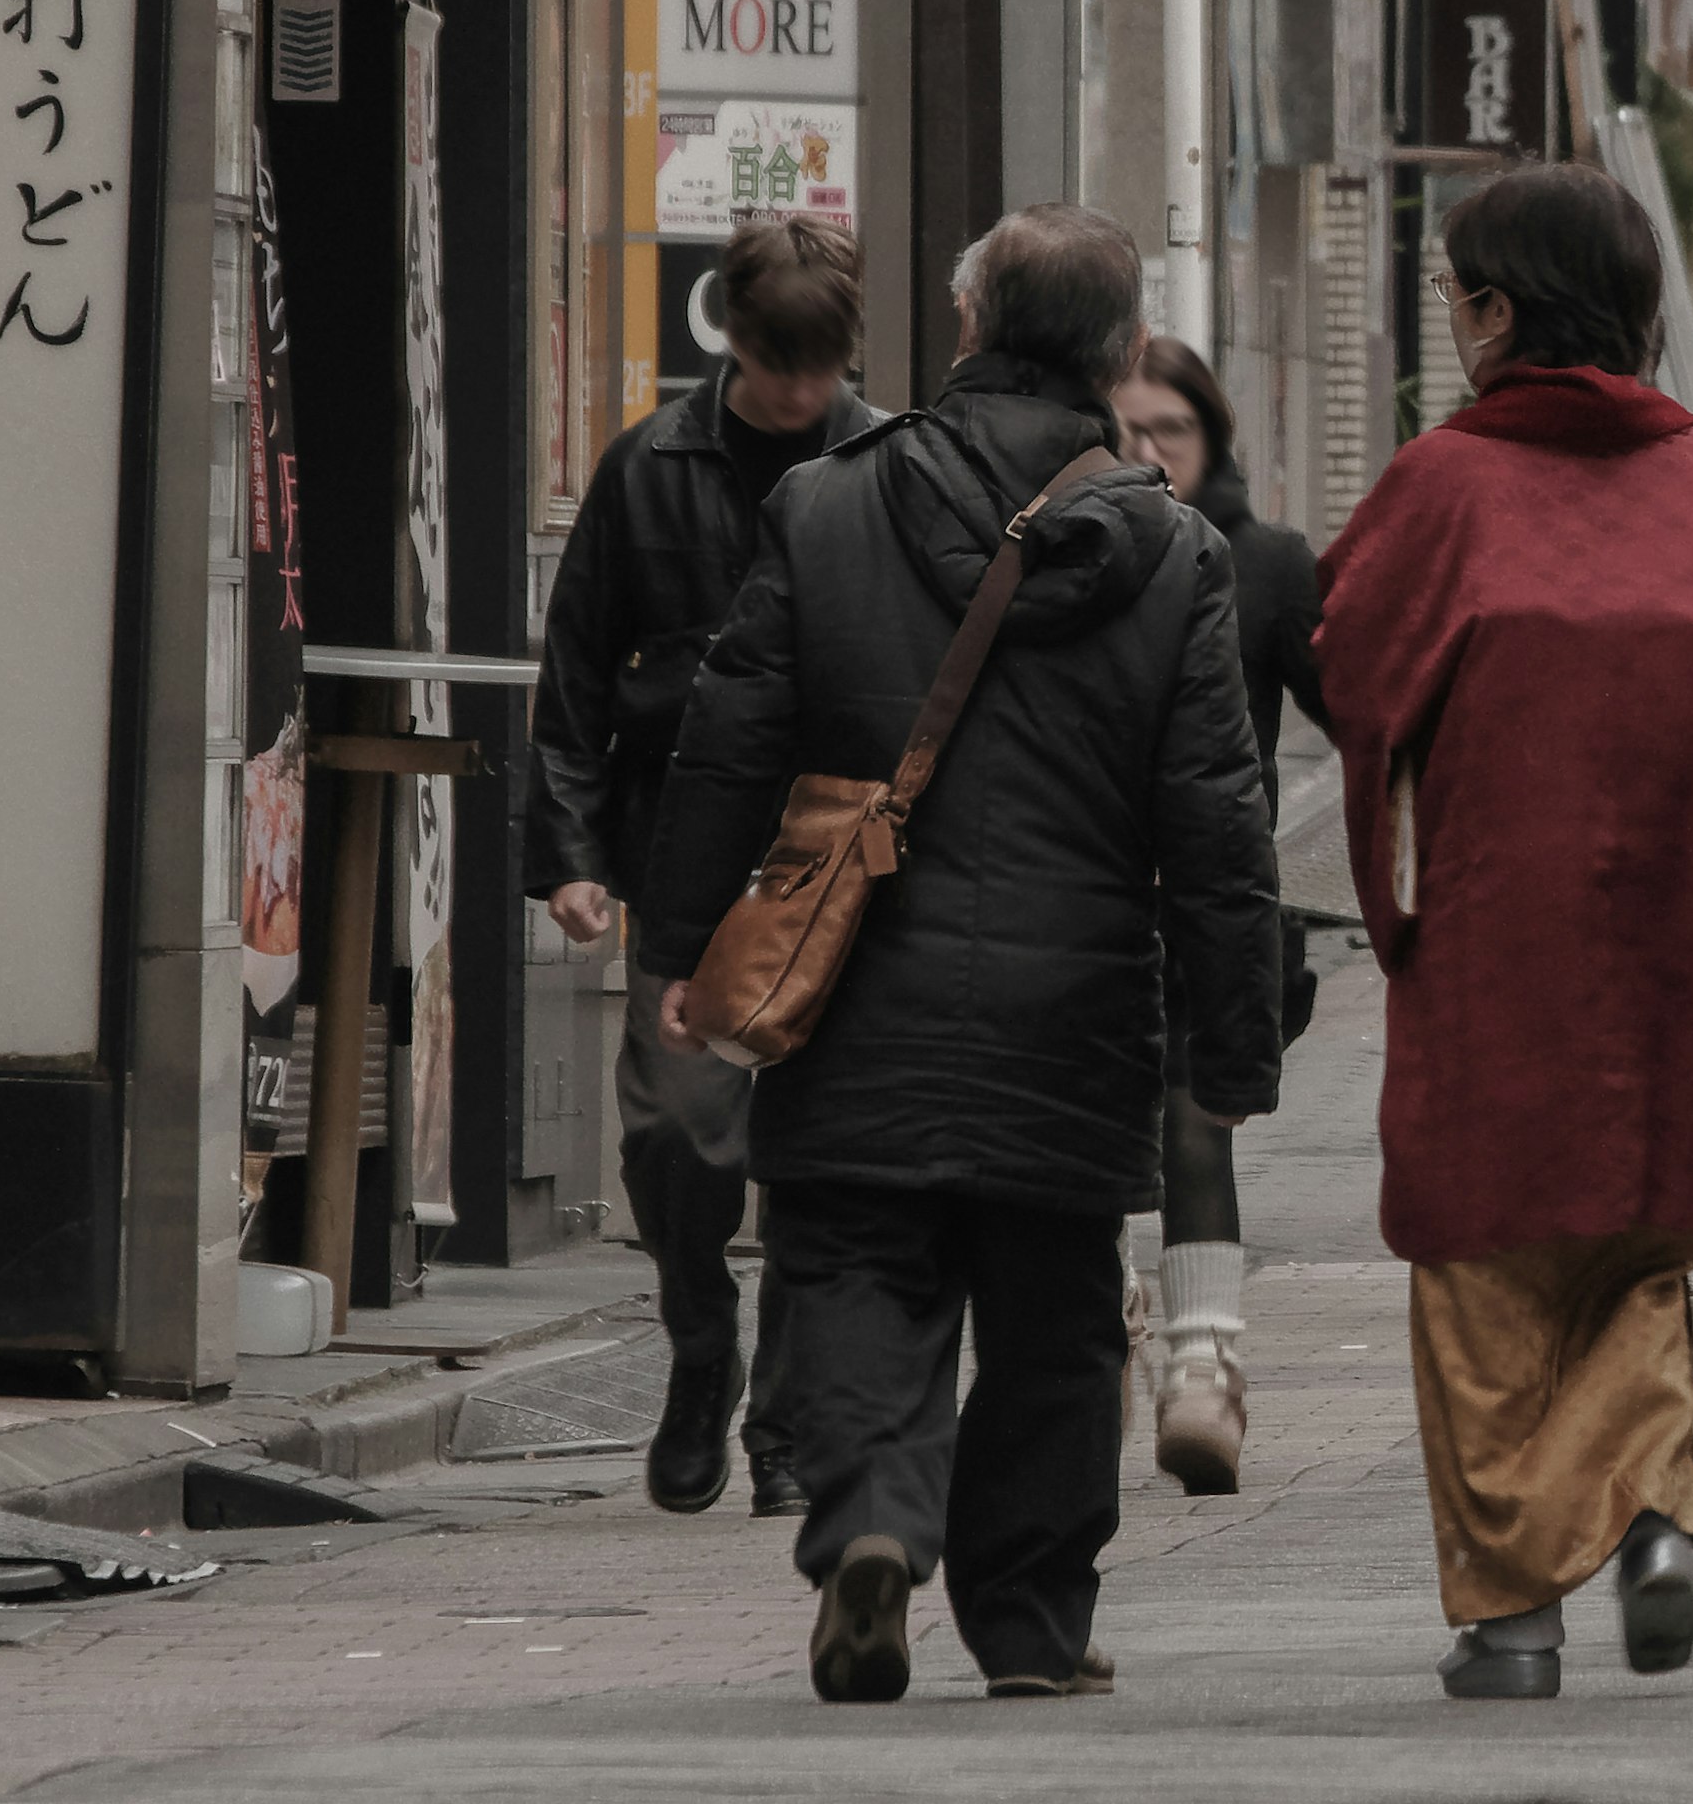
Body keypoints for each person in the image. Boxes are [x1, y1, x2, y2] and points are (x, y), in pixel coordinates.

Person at [637, 204, 1280, 1703]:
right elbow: (1216, 826)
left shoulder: (825, 505)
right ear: (1120, 356)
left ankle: (870, 1523)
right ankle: (1034, 1626)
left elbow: (728, 744)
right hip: (1077, 1008)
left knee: (855, 1270)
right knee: (1054, 1321)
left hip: (855, 983)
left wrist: (678, 945)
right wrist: (1230, 1041)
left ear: (970, 326)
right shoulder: (1172, 553)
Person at [1316, 164, 1693, 1702]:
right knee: (1636, 1251)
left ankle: (1512, 1621)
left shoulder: (1450, 481)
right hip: (1661, 945)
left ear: (1500, 309)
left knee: (1479, 1264)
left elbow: (1353, 664)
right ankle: (1652, 1504)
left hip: (1492, 939)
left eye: (1460, 294)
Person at [525, 214, 886, 1517]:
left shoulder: (882, 458)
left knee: (812, 1150)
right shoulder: (649, 469)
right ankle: (697, 1340)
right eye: (779, 364)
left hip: (837, 855)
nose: (802, 392)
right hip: (677, 846)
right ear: (730, 341)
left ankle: (782, 1429)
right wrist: (568, 853)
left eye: (822, 367)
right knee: (676, 1127)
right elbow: (573, 675)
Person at [1110, 336, 1325, 1493]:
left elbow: (1359, 711)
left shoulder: (1270, 564)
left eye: (1171, 432)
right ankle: (1111, 1331)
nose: (1147, 452)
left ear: (1212, 440)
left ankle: (1203, 1368)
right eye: (1126, 430)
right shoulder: (1059, 553)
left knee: (1198, 1124)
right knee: (1087, 1134)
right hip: (1082, 895)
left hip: (1215, 900)